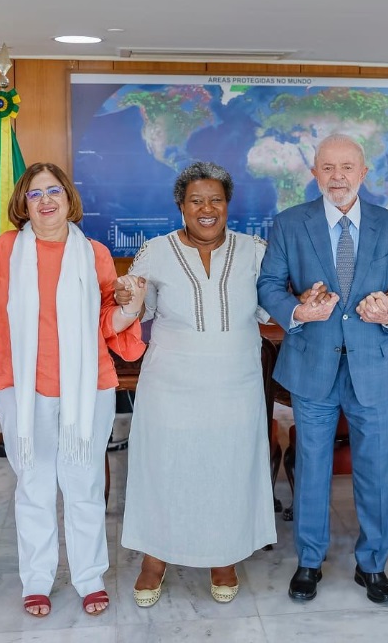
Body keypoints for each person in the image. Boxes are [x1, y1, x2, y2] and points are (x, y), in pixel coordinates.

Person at [0, 162, 145, 616]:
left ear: (68, 198)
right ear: (23, 203)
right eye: (34, 193)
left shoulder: (95, 254)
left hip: (88, 388)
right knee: (34, 485)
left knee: (83, 484)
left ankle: (88, 578)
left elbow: (108, 322)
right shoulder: (7, 249)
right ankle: (37, 580)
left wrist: (132, 308)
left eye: (54, 191)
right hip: (21, 387)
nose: (45, 201)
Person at [258, 133, 388, 604]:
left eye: (347, 167)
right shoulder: (290, 224)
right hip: (312, 366)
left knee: (374, 471)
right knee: (312, 468)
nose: (338, 176)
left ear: (363, 172)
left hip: (374, 368)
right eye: (328, 168)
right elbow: (269, 283)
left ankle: (372, 565)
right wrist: (296, 311)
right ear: (314, 173)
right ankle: (309, 561)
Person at [120, 161, 277, 606]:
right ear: (181, 206)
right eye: (196, 200)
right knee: (165, 469)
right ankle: (155, 560)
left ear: (228, 204)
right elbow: (138, 311)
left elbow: (273, 307)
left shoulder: (255, 250)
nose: (206, 208)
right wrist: (126, 297)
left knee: (227, 470)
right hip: (172, 385)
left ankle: (222, 557)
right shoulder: (156, 251)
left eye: (216, 199)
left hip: (235, 383)